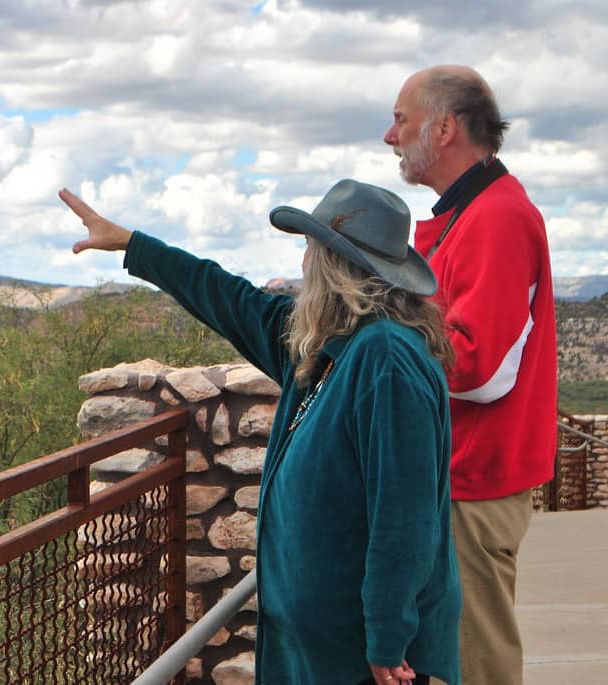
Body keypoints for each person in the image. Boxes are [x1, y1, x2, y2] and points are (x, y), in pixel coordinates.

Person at [60, 179, 461, 685]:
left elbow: (404, 516)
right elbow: (227, 296)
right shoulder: (325, 347)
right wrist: (134, 245)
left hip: (368, 663)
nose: (303, 265)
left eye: (311, 250)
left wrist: (386, 637)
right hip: (319, 649)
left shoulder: (385, 360)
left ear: (338, 269)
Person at [384, 66, 557, 685]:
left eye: (401, 119)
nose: (389, 136)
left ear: (446, 127)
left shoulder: (497, 218)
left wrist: (380, 345)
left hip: (475, 483)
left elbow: (480, 368)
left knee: (475, 665)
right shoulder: (473, 213)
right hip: (458, 478)